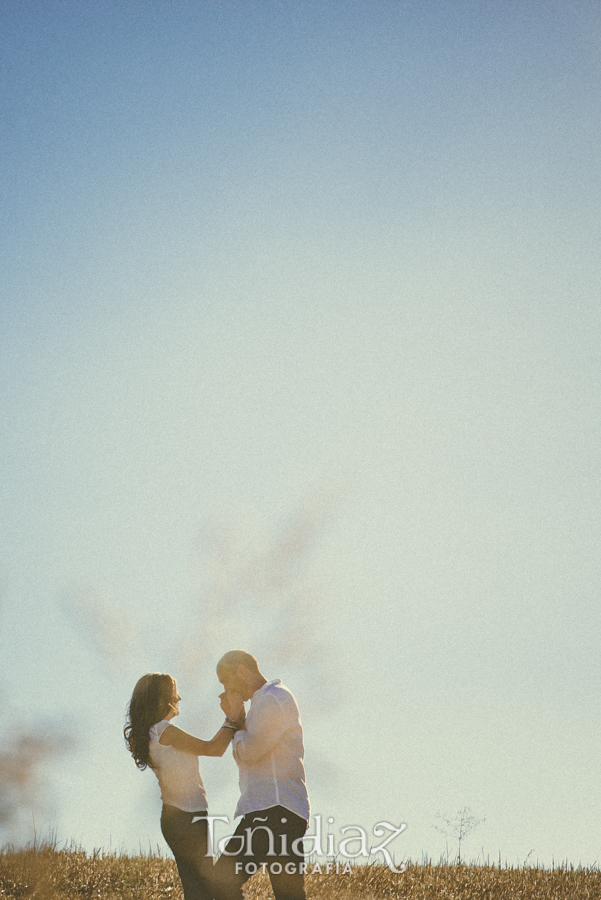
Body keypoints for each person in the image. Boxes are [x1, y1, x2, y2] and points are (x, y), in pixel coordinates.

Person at [124, 672, 244, 900]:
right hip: (188, 818)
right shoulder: (164, 730)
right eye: (174, 693)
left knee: (196, 891)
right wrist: (233, 718)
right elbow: (213, 749)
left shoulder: (152, 732)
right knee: (206, 889)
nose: (179, 698)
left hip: (175, 817)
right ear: (162, 699)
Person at [212, 651, 310, 900]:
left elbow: (250, 751)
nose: (226, 689)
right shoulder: (264, 701)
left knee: (220, 881)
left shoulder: (272, 698)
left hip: (273, 811)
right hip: (275, 811)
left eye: (226, 681)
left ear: (242, 671)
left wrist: (234, 720)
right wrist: (239, 721)